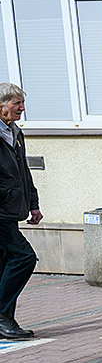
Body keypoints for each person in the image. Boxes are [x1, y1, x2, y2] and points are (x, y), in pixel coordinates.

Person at [0, 83, 40, 340]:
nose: (22, 108)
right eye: (17, 103)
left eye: (22, 103)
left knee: (5, 263)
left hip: (11, 210)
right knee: (24, 258)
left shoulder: (15, 132)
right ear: (1, 105)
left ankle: (5, 321)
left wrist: (33, 203)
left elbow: (23, 172)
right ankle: (2, 316)